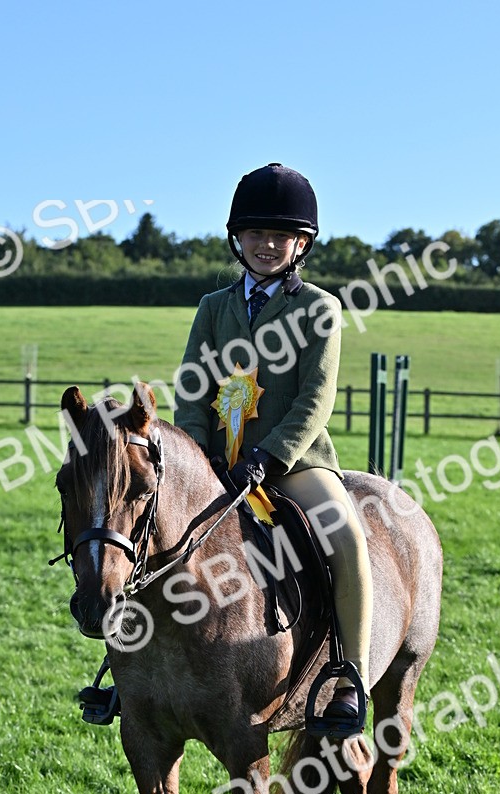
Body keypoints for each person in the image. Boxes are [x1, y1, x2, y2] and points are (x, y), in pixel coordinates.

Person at [173, 162, 374, 737]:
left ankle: (347, 679)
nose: (267, 245)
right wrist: (198, 454)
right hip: (217, 466)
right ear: (238, 238)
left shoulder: (319, 308)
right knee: (152, 536)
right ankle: (130, 671)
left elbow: (316, 398)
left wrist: (269, 457)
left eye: (279, 236)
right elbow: (193, 388)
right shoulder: (214, 308)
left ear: (300, 243)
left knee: (345, 534)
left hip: (292, 464)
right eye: (256, 234)